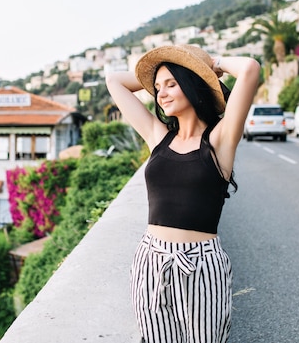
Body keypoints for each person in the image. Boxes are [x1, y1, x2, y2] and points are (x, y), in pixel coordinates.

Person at [105, 44, 260, 343]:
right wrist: (160, 70)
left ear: (192, 85)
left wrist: (209, 65)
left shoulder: (220, 140)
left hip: (201, 265)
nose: (160, 94)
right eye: (157, 87)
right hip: (151, 260)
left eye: (171, 84)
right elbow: (115, 81)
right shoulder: (158, 136)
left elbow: (250, 69)